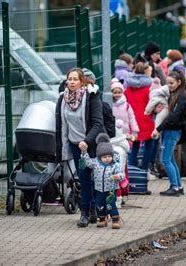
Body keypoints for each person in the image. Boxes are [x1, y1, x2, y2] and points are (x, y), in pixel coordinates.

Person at [55, 67, 104, 228]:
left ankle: (93, 209)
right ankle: (87, 211)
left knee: (94, 176)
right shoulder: (63, 98)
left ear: (82, 81)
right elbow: (60, 124)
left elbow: (98, 123)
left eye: (75, 79)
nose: (72, 82)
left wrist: (87, 141)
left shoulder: (91, 96)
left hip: (91, 144)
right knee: (83, 178)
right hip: (75, 145)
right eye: (69, 79)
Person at [151, 70, 186, 196]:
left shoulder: (182, 96)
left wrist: (158, 128)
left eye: (171, 83)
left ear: (179, 82)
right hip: (171, 130)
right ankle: (178, 186)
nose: (169, 85)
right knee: (171, 160)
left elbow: (173, 117)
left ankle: (174, 187)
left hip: (173, 131)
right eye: (167, 83)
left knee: (166, 160)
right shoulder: (176, 93)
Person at [81, 133, 124, 229]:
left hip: (111, 189)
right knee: (99, 204)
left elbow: (122, 175)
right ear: (100, 157)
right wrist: (84, 152)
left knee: (110, 204)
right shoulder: (96, 163)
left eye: (109, 156)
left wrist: (117, 176)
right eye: (104, 157)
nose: (107, 159)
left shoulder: (115, 165)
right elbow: (87, 162)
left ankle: (115, 220)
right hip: (99, 189)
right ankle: (102, 219)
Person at [124, 62, 156, 178]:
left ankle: (131, 170)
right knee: (149, 145)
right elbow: (152, 105)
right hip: (146, 119)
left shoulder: (128, 88)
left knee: (134, 146)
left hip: (133, 121)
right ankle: (144, 169)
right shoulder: (149, 88)